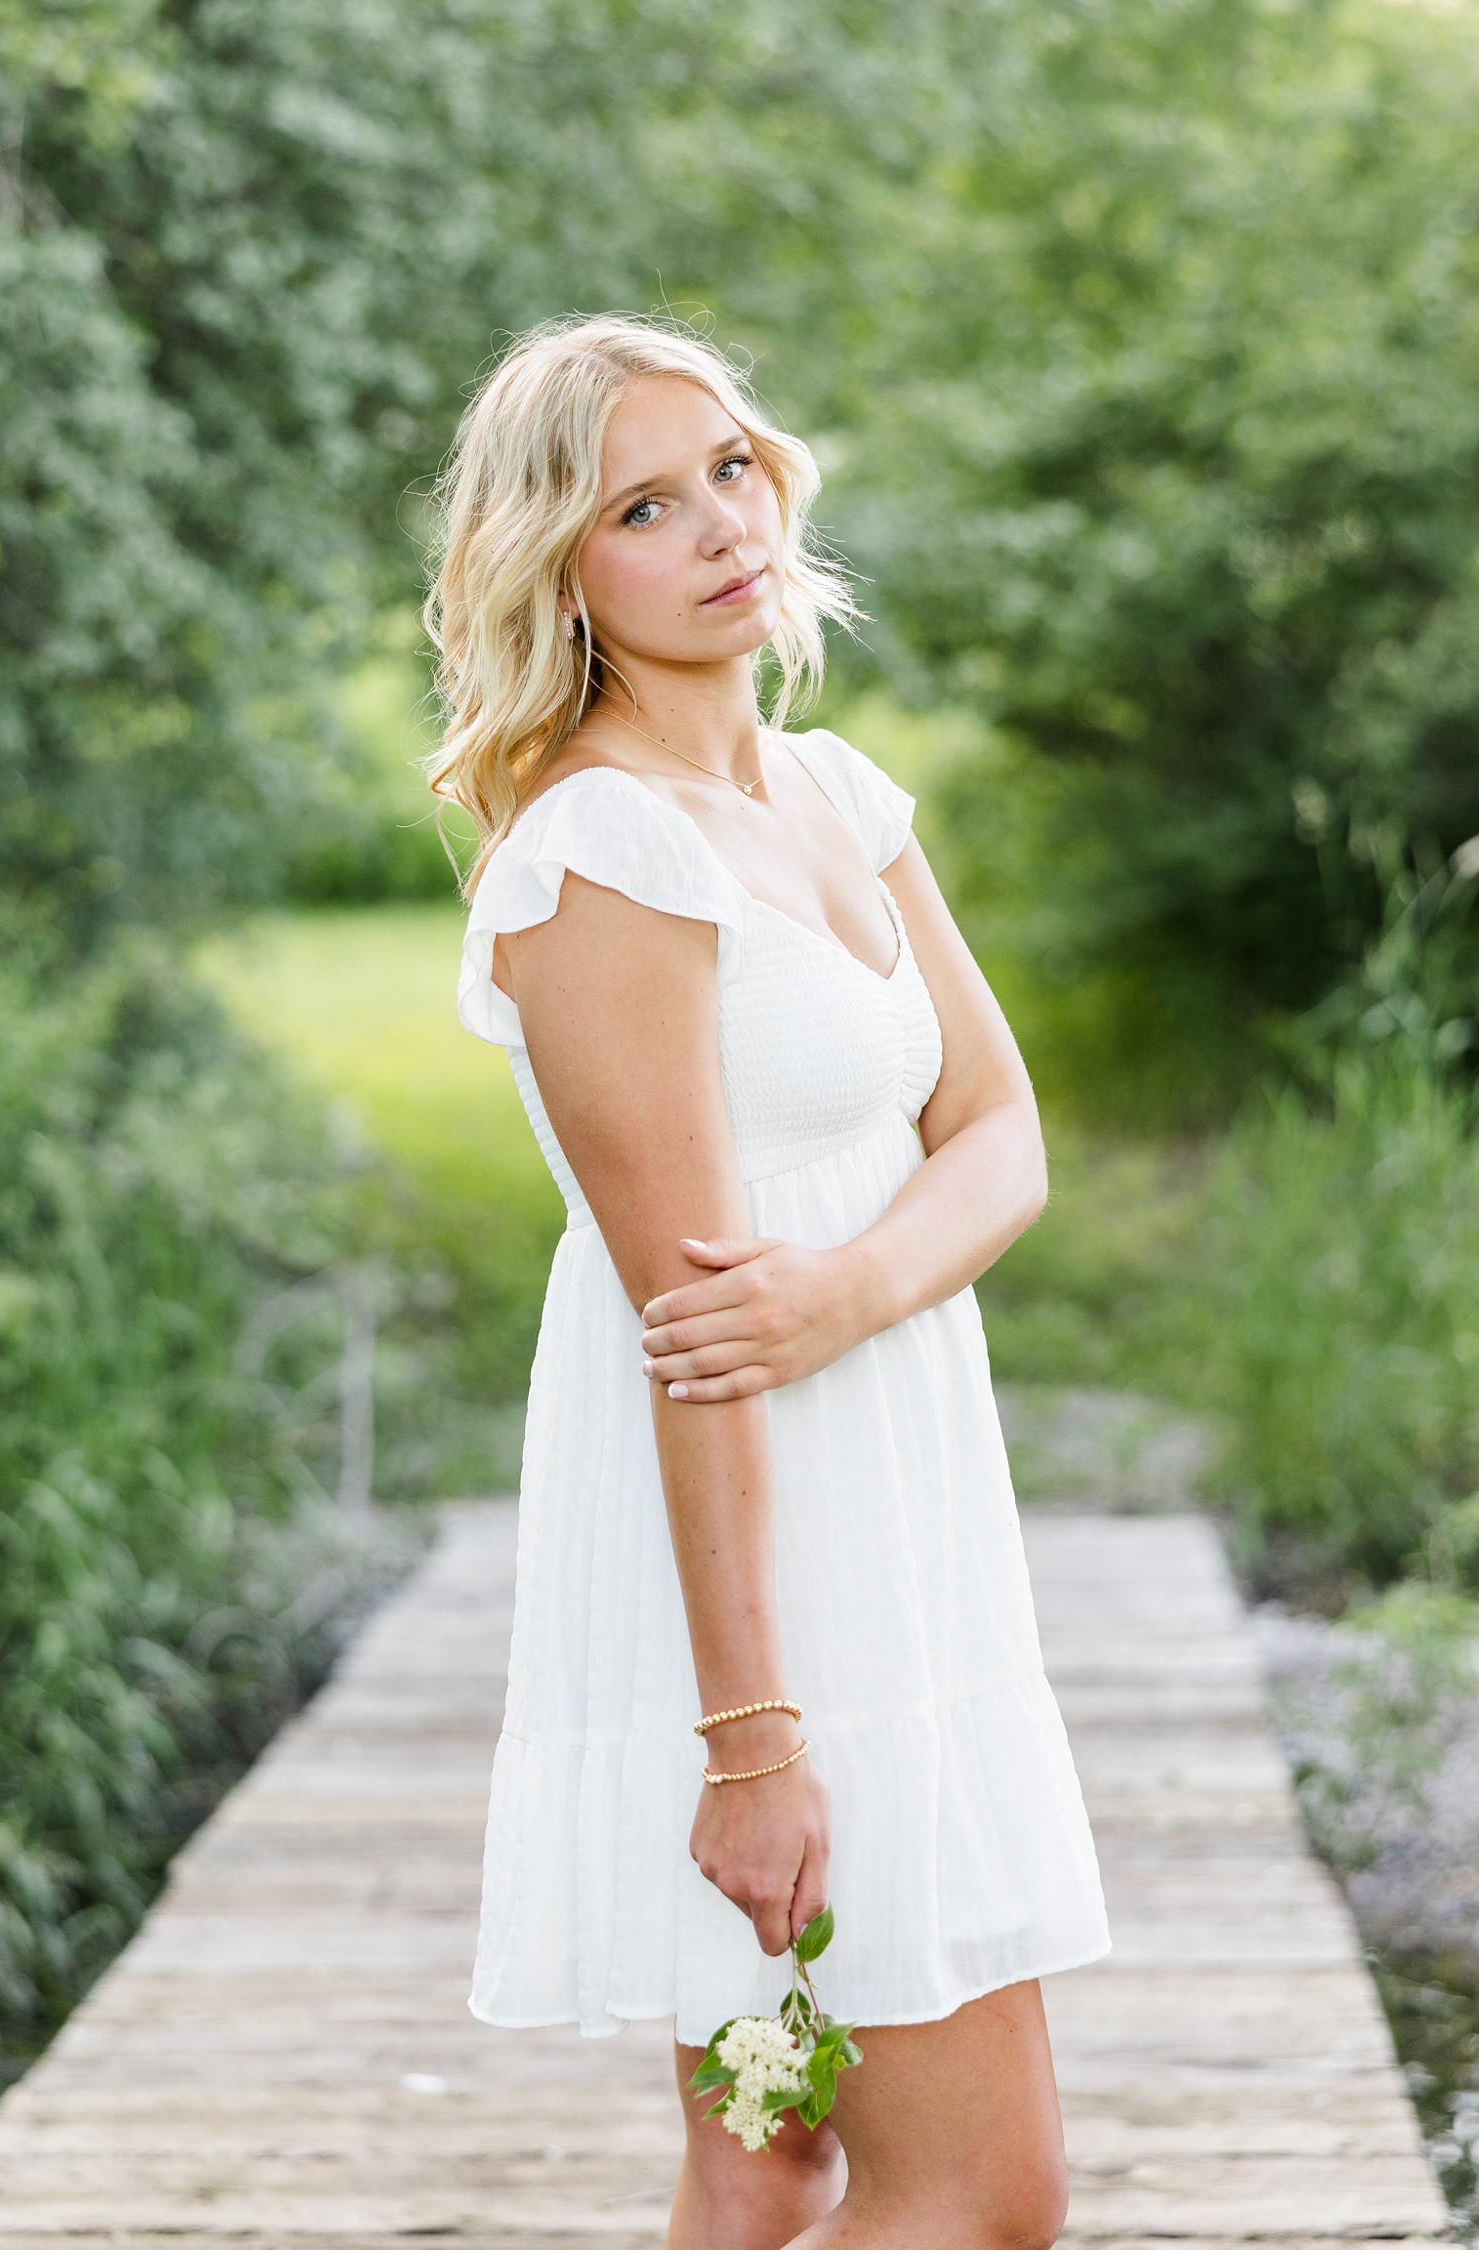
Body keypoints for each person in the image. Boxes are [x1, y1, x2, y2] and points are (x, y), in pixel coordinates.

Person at [426, 313, 1109, 2250]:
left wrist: (852, 1288)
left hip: (901, 1504)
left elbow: (1004, 1131)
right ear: (566, 570)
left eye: (729, 465)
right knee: (981, 2197)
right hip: (764, 1586)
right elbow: (697, 1339)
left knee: (772, 2153)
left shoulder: (831, 794)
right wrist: (752, 1749)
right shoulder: (604, 855)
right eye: (646, 504)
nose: (722, 522)